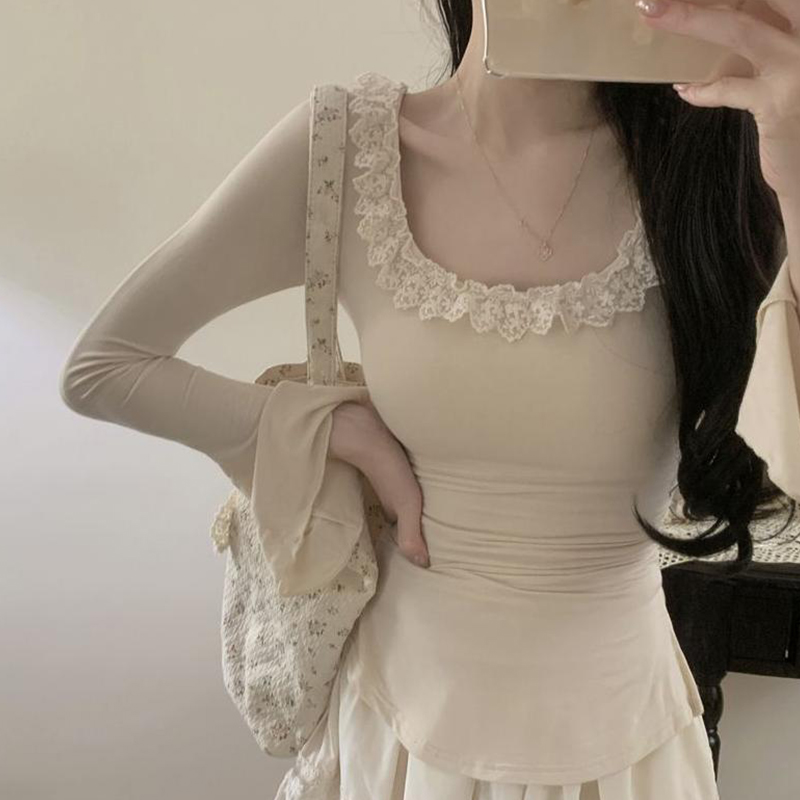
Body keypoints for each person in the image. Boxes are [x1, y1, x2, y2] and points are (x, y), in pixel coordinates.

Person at [60, 1, 800, 798]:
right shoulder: (349, 148)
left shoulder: (728, 159)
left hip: (629, 752)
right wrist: (328, 427)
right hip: (396, 744)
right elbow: (105, 365)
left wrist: (794, 158)